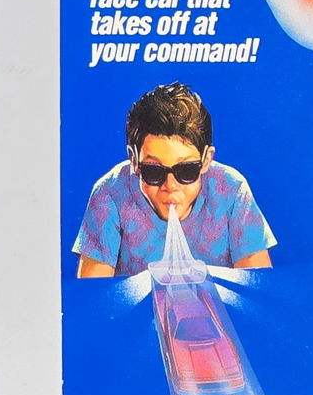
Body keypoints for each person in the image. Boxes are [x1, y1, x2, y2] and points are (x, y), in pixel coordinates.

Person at [74, 83, 274, 277]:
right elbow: (95, 292)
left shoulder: (231, 189)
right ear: (133, 160)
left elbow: (256, 284)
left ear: (207, 160)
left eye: (186, 171)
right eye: (154, 172)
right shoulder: (109, 193)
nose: (170, 186)